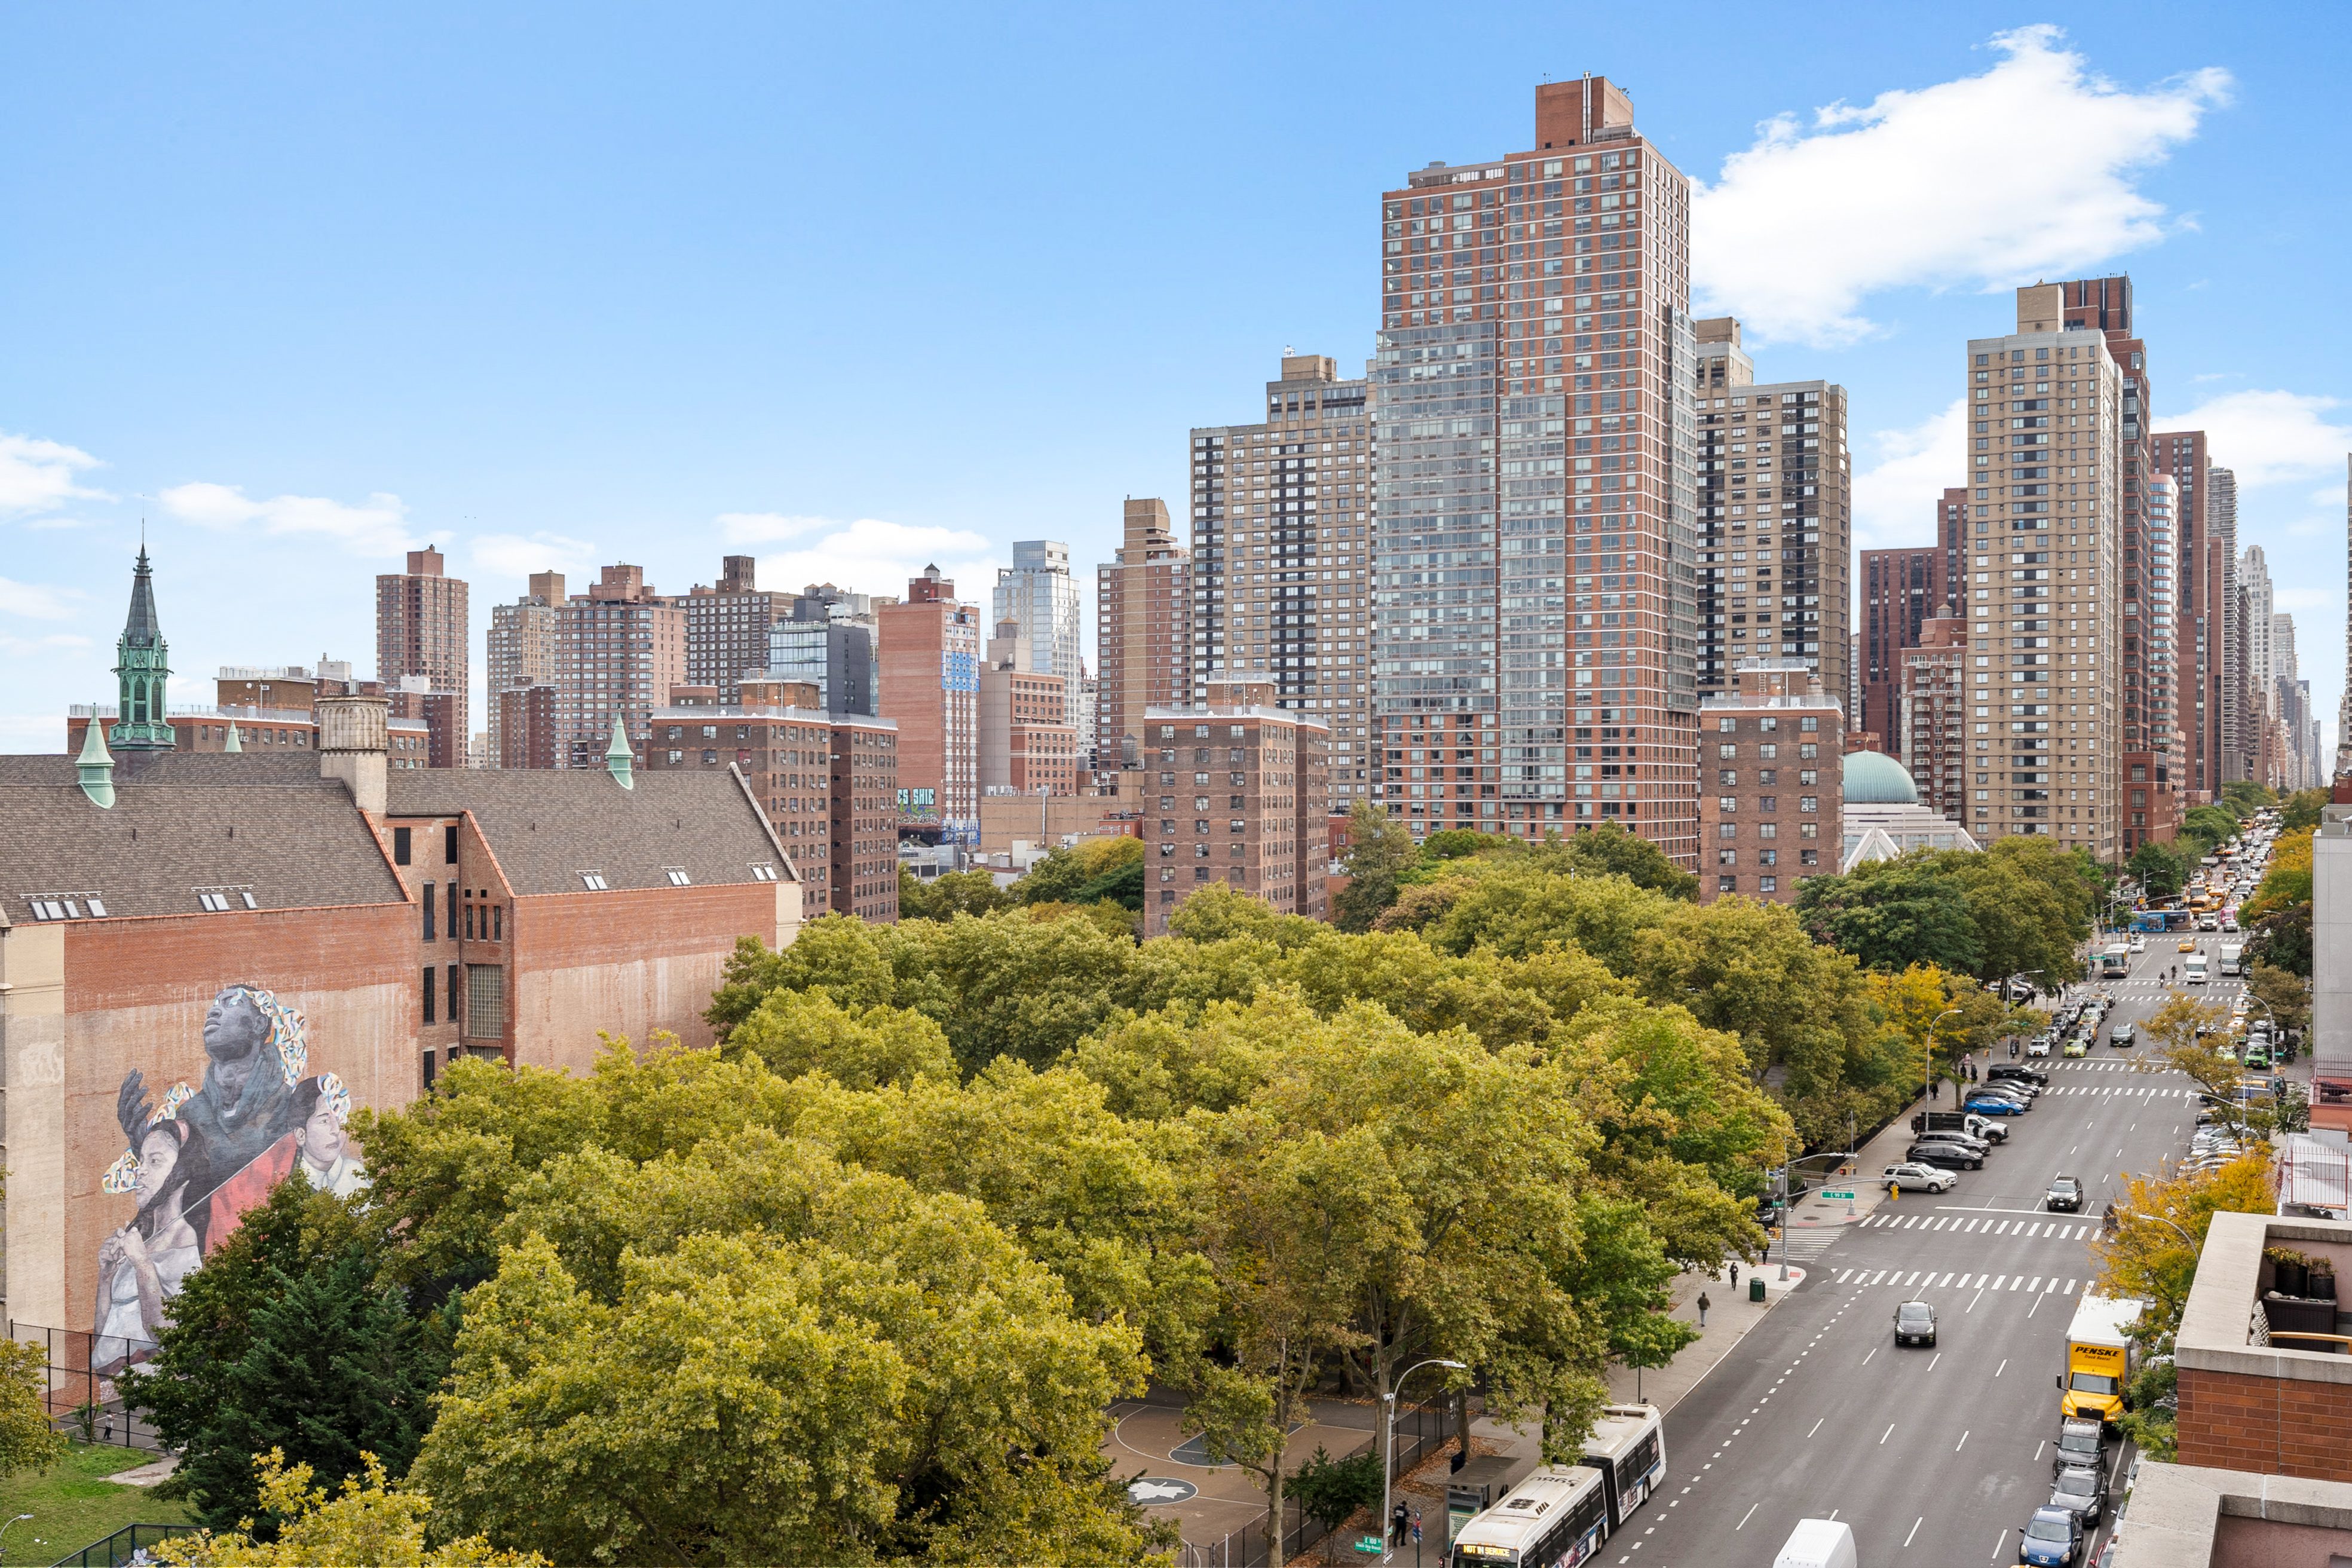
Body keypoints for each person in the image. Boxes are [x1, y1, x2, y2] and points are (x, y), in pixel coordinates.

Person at [93, 1116, 209, 1374]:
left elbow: (169, 1334)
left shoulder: (184, 1240)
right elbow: (103, 1335)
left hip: (147, 1392)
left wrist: (142, 1263)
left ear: (183, 1175)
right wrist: (106, 1275)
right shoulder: (141, 1240)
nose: (141, 1171)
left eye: (154, 1161)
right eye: (141, 1161)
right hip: (108, 1386)